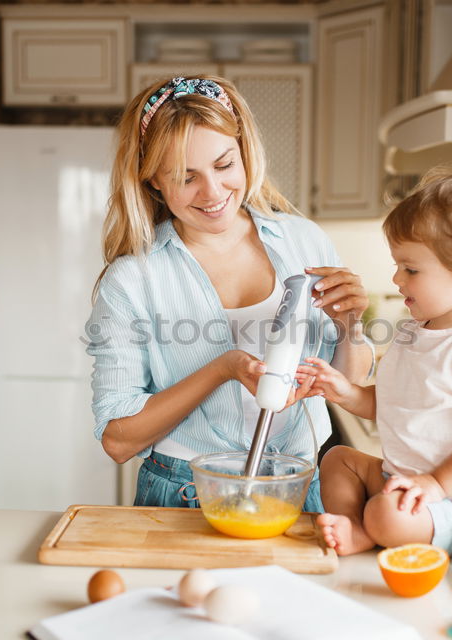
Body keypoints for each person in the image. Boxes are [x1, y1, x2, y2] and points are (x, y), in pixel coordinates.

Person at [86, 75, 374, 511]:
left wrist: (350, 327)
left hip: (299, 486)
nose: (214, 192)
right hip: (186, 493)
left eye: (224, 166)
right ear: (153, 182)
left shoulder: (305, 242)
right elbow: (118, 441)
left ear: (244, 154)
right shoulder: (133, 280)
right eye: (187, 177)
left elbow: (347, 384)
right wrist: (223, 368)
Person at [295, 168, 452, 555]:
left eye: (411, 269)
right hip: (401, 481)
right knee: (337, 460)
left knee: (387, 512)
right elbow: (390, 403)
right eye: (398, 265)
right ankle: (358, 525)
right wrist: (345, 392)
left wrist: (435, 484)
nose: (397, 278)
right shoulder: (414, 331)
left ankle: (369, 532)